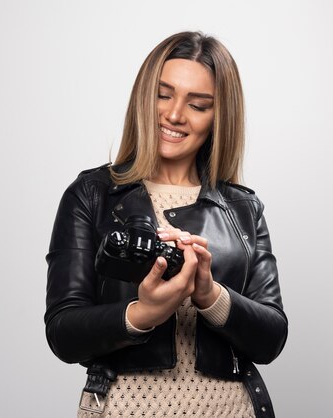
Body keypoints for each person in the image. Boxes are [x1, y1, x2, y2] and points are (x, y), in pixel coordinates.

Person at [44, 31, 288, 418]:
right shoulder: (91, 194)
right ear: (144, 96)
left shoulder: (243, 209)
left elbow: (272, 337)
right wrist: (144, 313)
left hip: (230, 410)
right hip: (125, 409)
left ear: (218, 117)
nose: (174, 114)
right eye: (163, 94)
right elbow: (63, 332)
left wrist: (209, 295)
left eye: (198, 104)